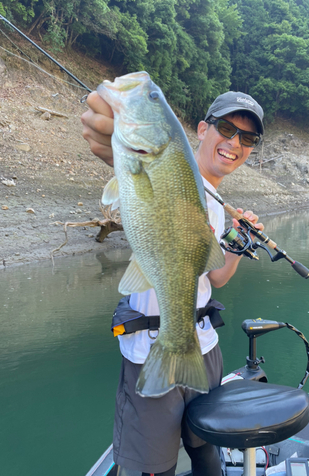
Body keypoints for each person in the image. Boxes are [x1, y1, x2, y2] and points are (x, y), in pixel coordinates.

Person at [81, 89, 265, 476]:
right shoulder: (167, 170)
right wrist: (114, 141)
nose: (234, 143)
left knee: (204, 449)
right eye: (227, 129)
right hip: (151, 349)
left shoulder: (217, 203)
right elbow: (119, 150)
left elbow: (216, 278)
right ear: (201, 129)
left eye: (246, 138)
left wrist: (236, 244)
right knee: (154, 468)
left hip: (203, 346)